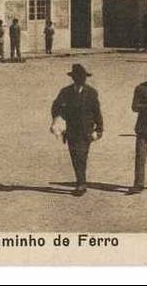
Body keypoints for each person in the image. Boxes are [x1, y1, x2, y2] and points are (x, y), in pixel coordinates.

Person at [51, 64, 103, 196]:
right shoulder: (65, 92)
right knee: (75, 156)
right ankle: (80, 181)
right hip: (71, 130)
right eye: (78, 78)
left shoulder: (91, 92)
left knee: (81, 156)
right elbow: (55, 107)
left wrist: (99, 129)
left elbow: (97, 111)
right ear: (73, 78)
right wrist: (58, 120)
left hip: (86, 130)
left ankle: (81, 183)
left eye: (82, 78)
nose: (80, 80)